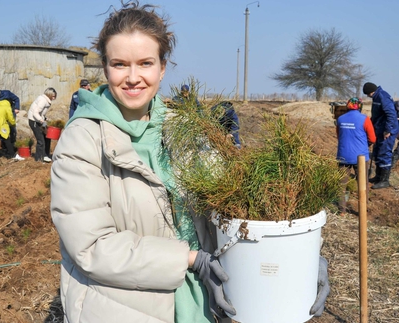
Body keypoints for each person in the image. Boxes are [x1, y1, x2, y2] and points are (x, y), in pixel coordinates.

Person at [50, 2, 329, 323]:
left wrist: (302, 259)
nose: (132, 77)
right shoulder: (83, 139)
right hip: (127, 310)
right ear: (105, 67)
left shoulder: (185, 130)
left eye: (145, 63)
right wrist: (191, 259)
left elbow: (235, 207)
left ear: (163, 67)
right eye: (119, 64)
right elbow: (93, 248)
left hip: (204, 304)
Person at [336, 97, 376, 214]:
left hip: (343, 156)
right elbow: (373, 138)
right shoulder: (365, 119)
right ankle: (362, 211)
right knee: (362, 184)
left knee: (341, 184)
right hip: (361, 157)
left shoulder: (340, 119)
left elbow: (339, 137)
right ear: (360, 106)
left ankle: (341, 211)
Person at [363, 82, 399, 189]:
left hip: (386, 131)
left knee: (384, 153)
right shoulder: (377, 97)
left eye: (367, 94)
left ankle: (384, 180)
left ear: (370, 92)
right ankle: (378, 177)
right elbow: (377, 115)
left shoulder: (383, 97)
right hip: (379, 129)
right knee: (378, 152)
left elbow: (391, 114)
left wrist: (388, 130)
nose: (368, 97)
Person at [28, 87, 56, 163]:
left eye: (55, 96)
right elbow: (35, 113)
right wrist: (41, 121)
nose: (54, 98)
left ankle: (45, 155)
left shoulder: (47, 100)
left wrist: (45, 118)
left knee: (47, 137)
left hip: (39, 120)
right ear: (49, 95)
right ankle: (39, 159)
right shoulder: (42, 100)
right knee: (41, 141)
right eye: (53, 96)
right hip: (34, 121)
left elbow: (41, 113)